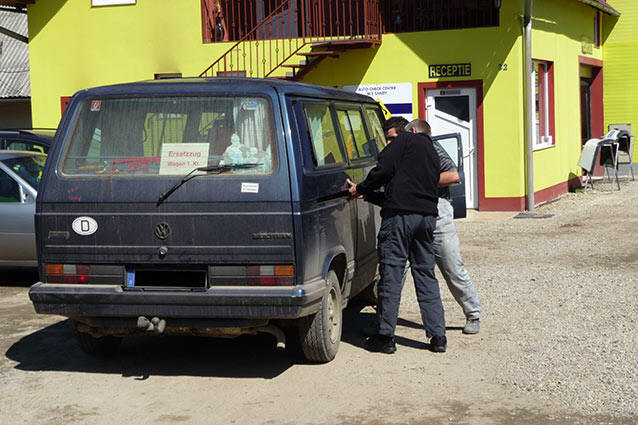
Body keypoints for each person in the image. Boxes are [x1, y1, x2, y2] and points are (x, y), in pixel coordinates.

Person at [346, 124, 447, 354]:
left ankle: (385, 337)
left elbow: (383, 169)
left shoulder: (406, 140)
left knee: (391, 274)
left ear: (411, 131)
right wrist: (368, 194)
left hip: (399, 220)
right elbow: (404, 193)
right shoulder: (432, 151)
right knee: (425, 274)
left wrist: (360, 187)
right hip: (427, 219)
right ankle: (438, 337)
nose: (391, 142)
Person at [393, 117, 482, 334]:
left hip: (437, 211)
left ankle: (473, 314)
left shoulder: (433, 148)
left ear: (413, 132)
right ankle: (384, 320)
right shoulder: (402, 152)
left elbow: (453, 175)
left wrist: (419, 180)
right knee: (396, 268)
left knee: (451, 265)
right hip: (410, 211)